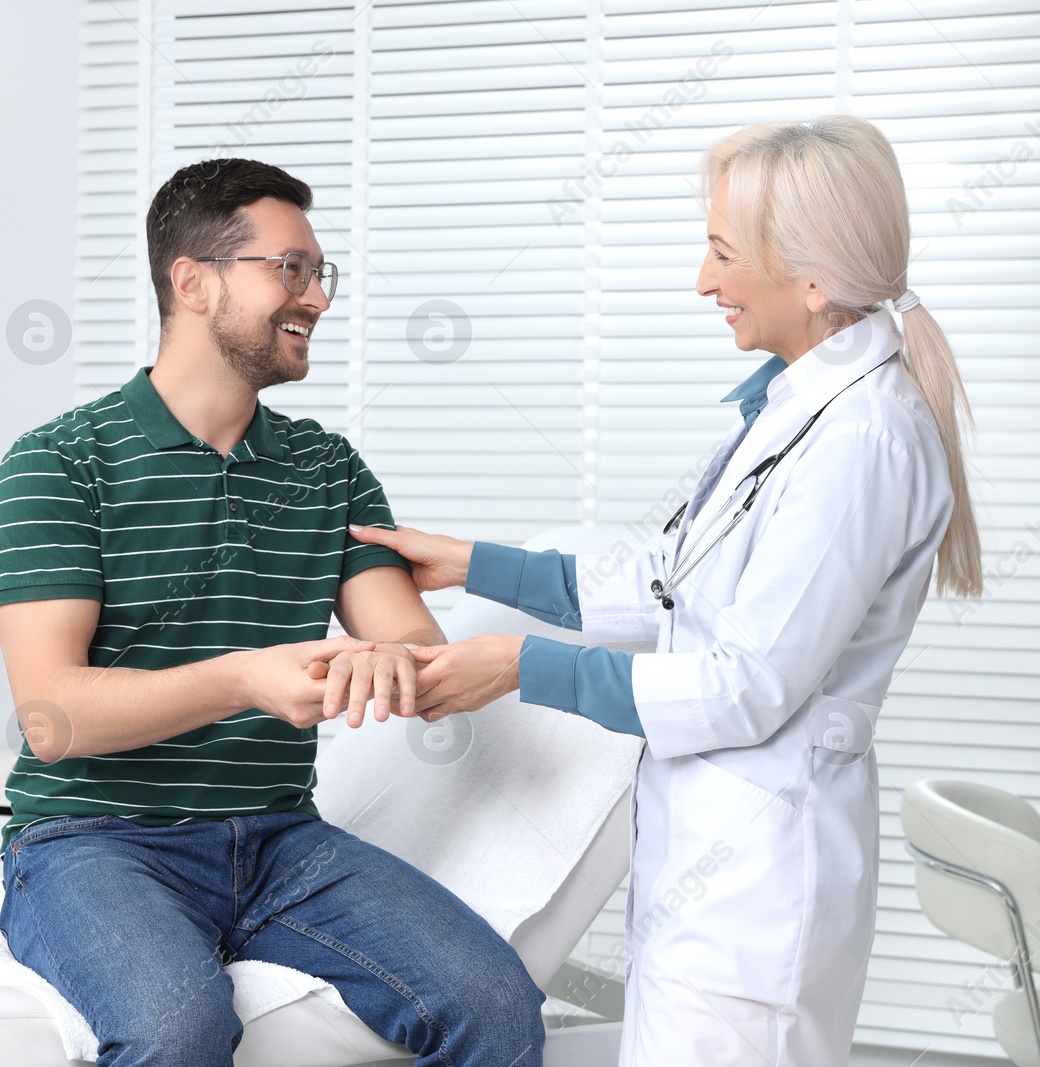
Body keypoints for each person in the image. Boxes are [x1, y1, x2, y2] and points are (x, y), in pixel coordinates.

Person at [353, 115, 982, 1065]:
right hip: (713, 882)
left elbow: (746, 683)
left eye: (723, 253)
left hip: (758, 900)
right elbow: (679, 580)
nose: (703, 280)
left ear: (812, 280)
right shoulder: (799, 410)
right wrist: (475, 563)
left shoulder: (862, 442)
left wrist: (522, 666)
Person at [0, 158, 544, 1066]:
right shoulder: (60, 463)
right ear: (194, 282)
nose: (318, 297)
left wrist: (391, 663)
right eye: (292, 269)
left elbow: (410, 642)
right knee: (178, 1030)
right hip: (94, 841)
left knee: (495, 1003)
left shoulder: (325, 467)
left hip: (282, 839)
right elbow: (55, 714)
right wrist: (246, 677)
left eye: (322, 274)